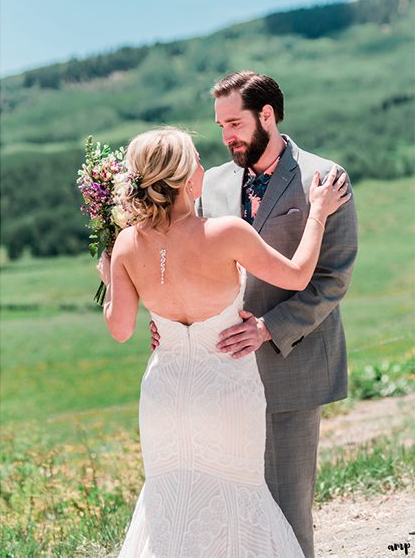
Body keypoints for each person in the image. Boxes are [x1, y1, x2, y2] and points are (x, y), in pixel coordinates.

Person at [97, 126, 350, 557]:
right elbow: (299, 275)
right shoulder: (226, 232)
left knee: (170, 501)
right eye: (196, 158)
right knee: (238, 496)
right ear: (185, 179)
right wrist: (319, 213)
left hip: (165, 395)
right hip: (226, 388)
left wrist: (109, 277)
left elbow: (120, 329)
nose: (203, 166)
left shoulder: (125, 244)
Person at [148, 71, 359, 556]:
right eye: (220, 126)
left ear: (267, 115)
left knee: (286, 514)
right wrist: (164, 322)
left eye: (235, 123)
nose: (227, 137)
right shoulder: (209, 184)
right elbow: (179, 257)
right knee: (230, 515)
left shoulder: (323, 179)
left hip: (292, 366)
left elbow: (333, 278)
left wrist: (268, 329)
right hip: (219, 375)